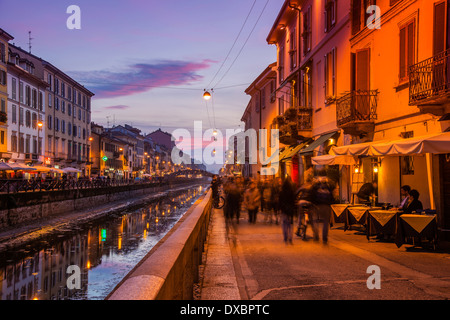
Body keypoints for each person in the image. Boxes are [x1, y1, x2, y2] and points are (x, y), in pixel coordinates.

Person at [311, 173, 336, 244]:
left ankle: (316, 236)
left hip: (317, 206)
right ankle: (324, 238)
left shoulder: (316, 187)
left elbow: (312, 193)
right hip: (326, 206)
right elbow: (332, 195)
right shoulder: (328, 187)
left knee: (315, 220)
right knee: (325, 223)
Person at [295, 175, 314, 240]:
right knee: (311, 216)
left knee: (300, 216)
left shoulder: (303, 186)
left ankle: (299, 228)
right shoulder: (312, 187)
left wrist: (296, 199)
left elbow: (297, 192)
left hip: (302, 202)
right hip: (309, 202)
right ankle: (314, 231)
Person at [279, 177, 296, 244]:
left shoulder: (281, 192)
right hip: (290, 210)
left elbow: (280, 201)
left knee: (284, 223)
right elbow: (293, 201)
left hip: (284, 210)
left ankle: (285, 237)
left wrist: (280, 208)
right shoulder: (291, 191)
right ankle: (290, 237)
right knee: (290, 224)